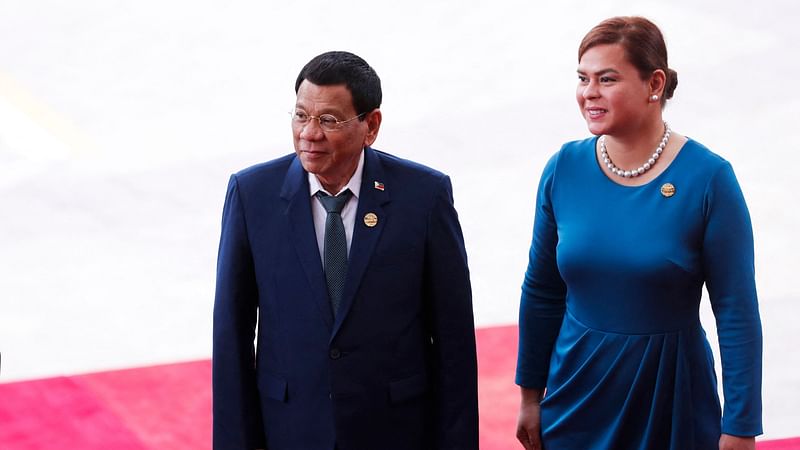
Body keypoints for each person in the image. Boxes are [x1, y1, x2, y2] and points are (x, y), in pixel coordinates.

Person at [515, 16, 762, 450]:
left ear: (655, 84)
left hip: (670, 397)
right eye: (582, 78)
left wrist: (741, 427)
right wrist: (530, 395)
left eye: (606, 79)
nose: (589, 92)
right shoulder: (563, 168)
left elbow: (737, 311)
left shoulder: (709, 178)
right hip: (577, 392)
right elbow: (542, 291)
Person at [212, 51, 479, 450]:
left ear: (370, 125)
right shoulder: (253, 196)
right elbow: (231, 336)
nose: (309, 133)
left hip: (395, 432)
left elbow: (454, 342)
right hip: (290, 430)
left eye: (329, 120)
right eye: (301, 116)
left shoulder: (422, 197)